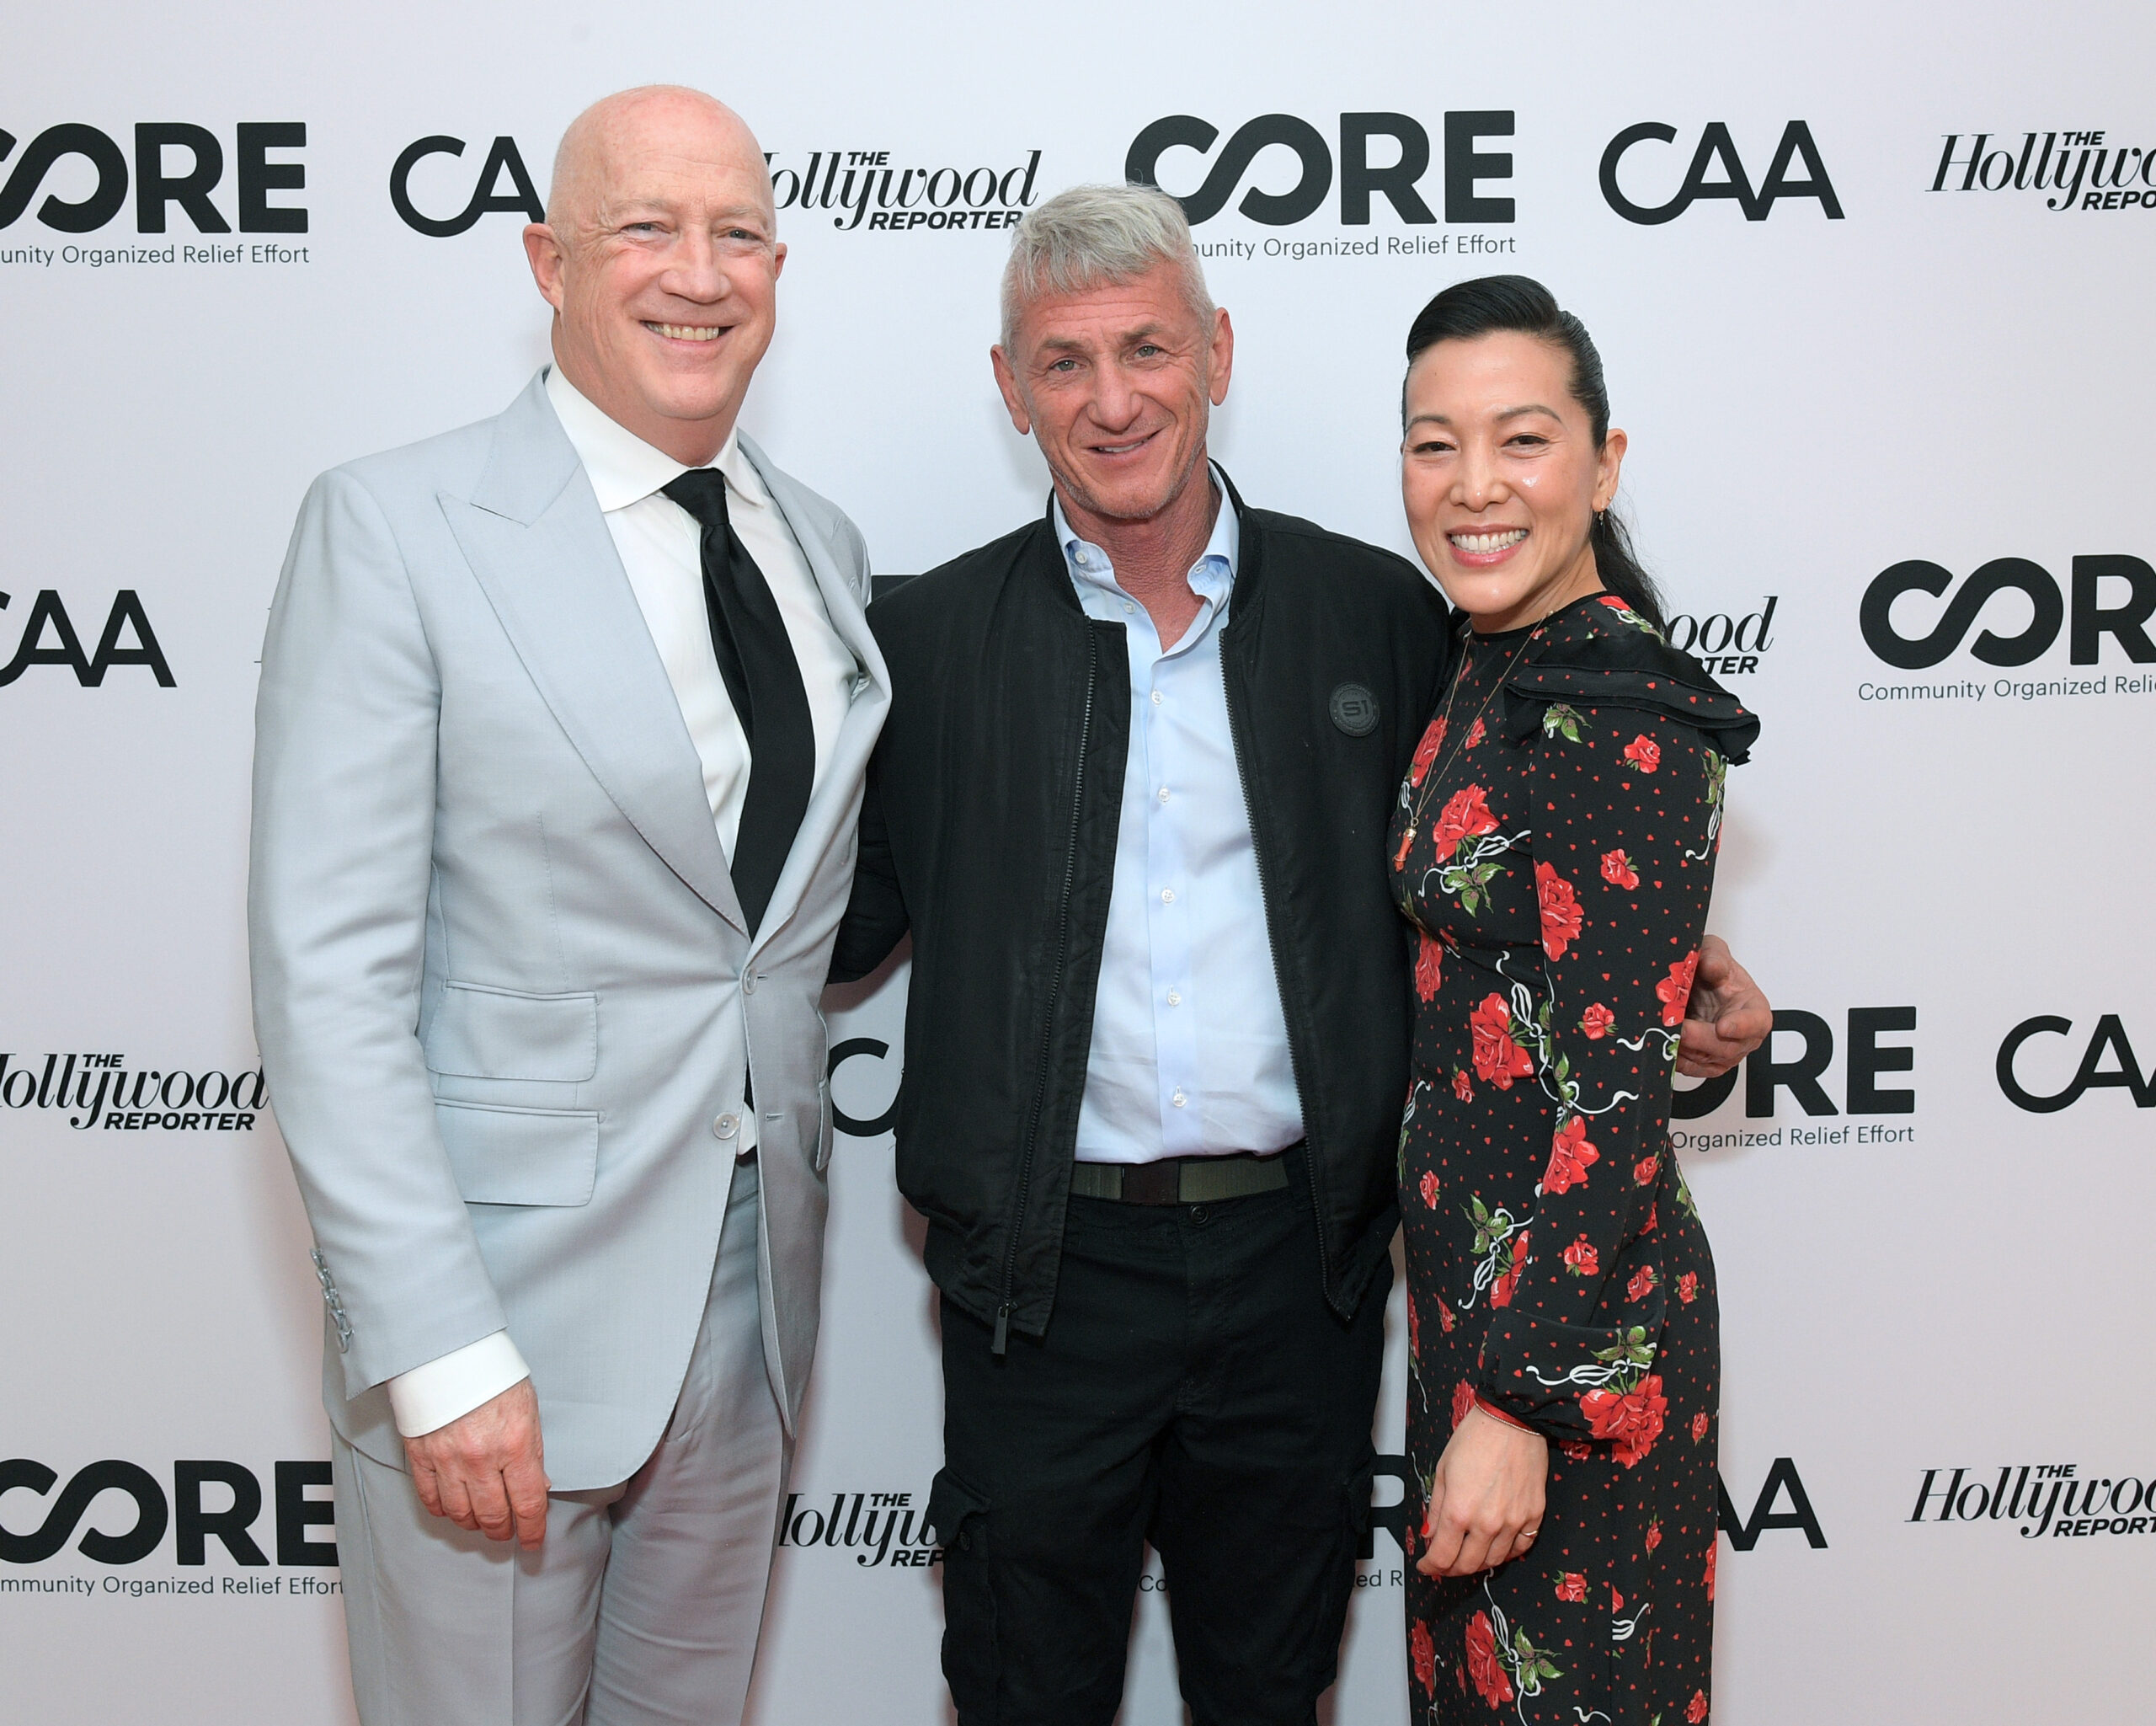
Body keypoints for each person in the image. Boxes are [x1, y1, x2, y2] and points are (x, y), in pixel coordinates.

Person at [830, 186, 1768, 1726]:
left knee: (1273, 1696)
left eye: (1149, 348)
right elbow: (824, 925)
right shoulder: (928, 645)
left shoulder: (1381, 616)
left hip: (1299, 1287)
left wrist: (1668, 961)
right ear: (1008, 388)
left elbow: (1525, 849)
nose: (1114, 397)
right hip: (1040, 1293)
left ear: (1217, 351)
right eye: (1064, 363)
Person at [248, 86, 886, 1724]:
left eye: (736, 231)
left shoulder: (815, 543)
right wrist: (438, 1344)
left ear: (779, 263)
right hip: (496, 1313)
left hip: (747, 1308)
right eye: (644, 229)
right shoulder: (394, 525)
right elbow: (328, 976)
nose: (699, 272)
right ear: (548, 260)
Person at [1388, 275, 1755, 1724]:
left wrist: (1521, 1407)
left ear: (1605, 464)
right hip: (1483, 1327)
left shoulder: (1623, 714)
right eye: (1433, 443)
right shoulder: (1499, 662)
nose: (1473, 486)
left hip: (1569, 1371)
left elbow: (1605, 1106)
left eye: (1521, 439)